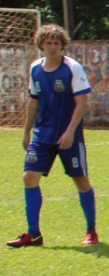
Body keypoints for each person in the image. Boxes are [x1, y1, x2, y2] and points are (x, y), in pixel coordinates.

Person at [8, 24, 96, 248]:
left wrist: (69, 131)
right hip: (42, 135)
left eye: (57, 43)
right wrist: (26, 131)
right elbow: (34, 101)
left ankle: (91, 230)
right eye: (48, 43)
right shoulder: (35, 68)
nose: (53, 47)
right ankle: (33, 234)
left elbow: (82, 103)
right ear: (41, 45)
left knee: (81, 181)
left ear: (62, 45)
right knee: (29, 178)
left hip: (68, 137)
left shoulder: (72, 68)